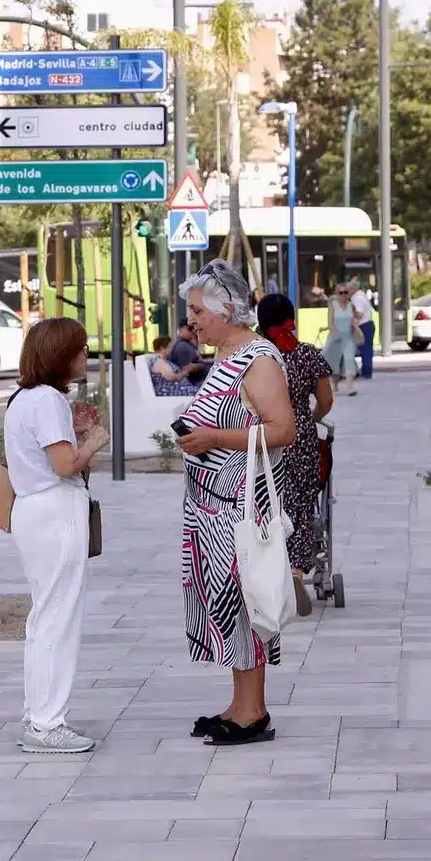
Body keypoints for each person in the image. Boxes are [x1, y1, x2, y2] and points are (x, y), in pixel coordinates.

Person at [173, 261, 297, 747]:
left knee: (245, 603)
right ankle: (239, 704)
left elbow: (283, 429)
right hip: (213, 509)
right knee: (227, 609)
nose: (192, 321)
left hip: (240, 507)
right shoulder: (227, 355)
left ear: (227, 309)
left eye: (198, 310)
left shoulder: (258, 358)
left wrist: (212, 438)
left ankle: (253, 711)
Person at [4, 317, 108, 754]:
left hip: (33, 510)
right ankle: (48, 724)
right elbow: (65, 466)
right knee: (59, 618)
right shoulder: (46, 400)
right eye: (80, 348)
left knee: (45, 616)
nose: (85, 355)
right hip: (54, 510)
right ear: (61, 355)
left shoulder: (23, 398)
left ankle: (38, 713)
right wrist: (95, 441)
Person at [257, 293, 335, 605]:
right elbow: (326, 401)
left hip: (263, 439)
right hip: (300, 439)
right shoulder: (307, 354)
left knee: (267, 507)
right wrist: (306, 420)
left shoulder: (257, 357)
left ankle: (267, 573)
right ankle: (296, 571)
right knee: (301, 508)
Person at [324, 284, 362, 394]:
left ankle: (350, 387)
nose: (343, 295)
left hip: (348, 338)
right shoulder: (333, 305)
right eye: (341, 293)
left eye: (346, 292)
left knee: (349, 360)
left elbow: (355, 320)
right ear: (337, 294)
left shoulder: (351, 306)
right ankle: (334, 383)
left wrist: (357, 328)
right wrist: (335, 335)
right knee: (335, 363)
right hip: (335, 337)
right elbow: (330, 323)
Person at [354, 283, 377, 380]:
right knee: (366, 349)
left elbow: (359, 313)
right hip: (367, 325)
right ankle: (365, 371)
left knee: (366, 350)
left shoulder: (357, 298)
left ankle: (366, 372)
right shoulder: (361, 295)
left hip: (364, 326)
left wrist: (353, 322)